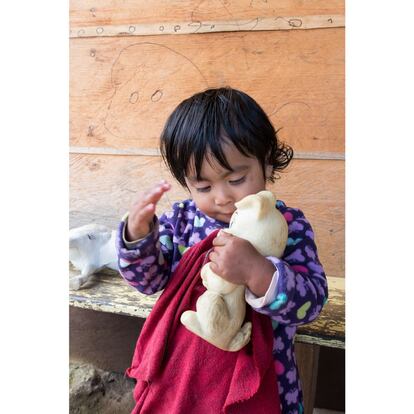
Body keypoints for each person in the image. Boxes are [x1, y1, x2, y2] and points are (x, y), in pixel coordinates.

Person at [116, 87, 328, 414]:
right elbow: (149, 281)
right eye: (203, 186)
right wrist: (137, 235)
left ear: (267, 164)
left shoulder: (289, 226)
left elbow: (310, 304)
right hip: (186, 382)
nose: (221, 197)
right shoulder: (182, 220)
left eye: (237, 178)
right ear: (187, 183)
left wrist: (259, 274)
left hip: (265, 385)